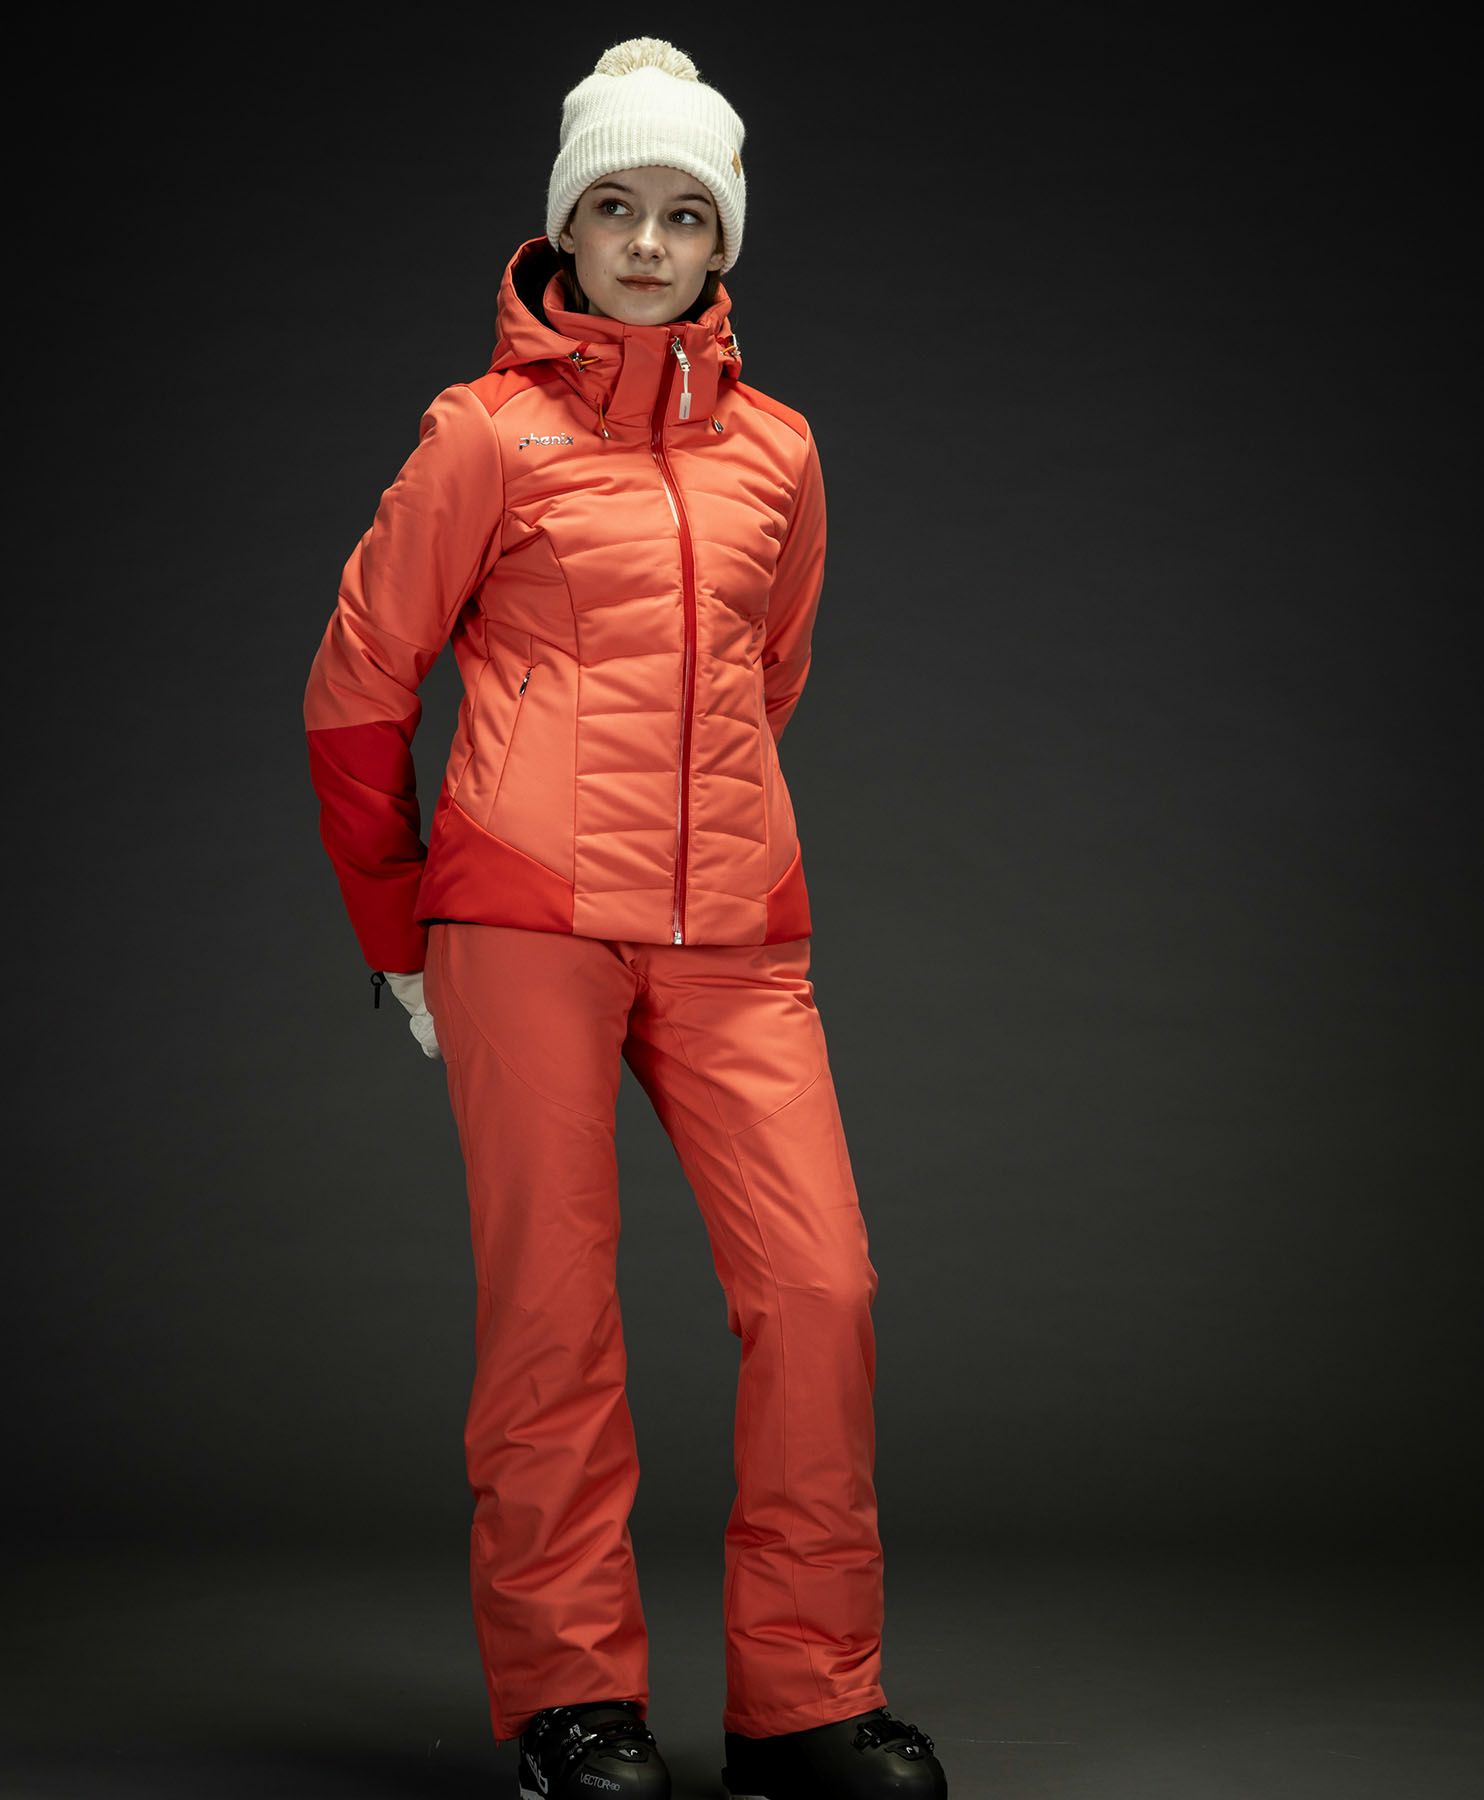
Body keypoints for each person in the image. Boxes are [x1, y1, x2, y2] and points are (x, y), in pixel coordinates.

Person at [302, 36, 947, 1800]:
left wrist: (704, 830)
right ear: (565, 229)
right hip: (522, 922)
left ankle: (805, 1706)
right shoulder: (480, 436)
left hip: (737, 930)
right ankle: (570, 1702)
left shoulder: (781, 451)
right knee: (553, 1311)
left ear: (722, 238)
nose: (649, 244)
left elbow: (764, 677)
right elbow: (358, 690)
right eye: (615, 207)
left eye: (684, 214)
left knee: (819, 1291)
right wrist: (396, 934)